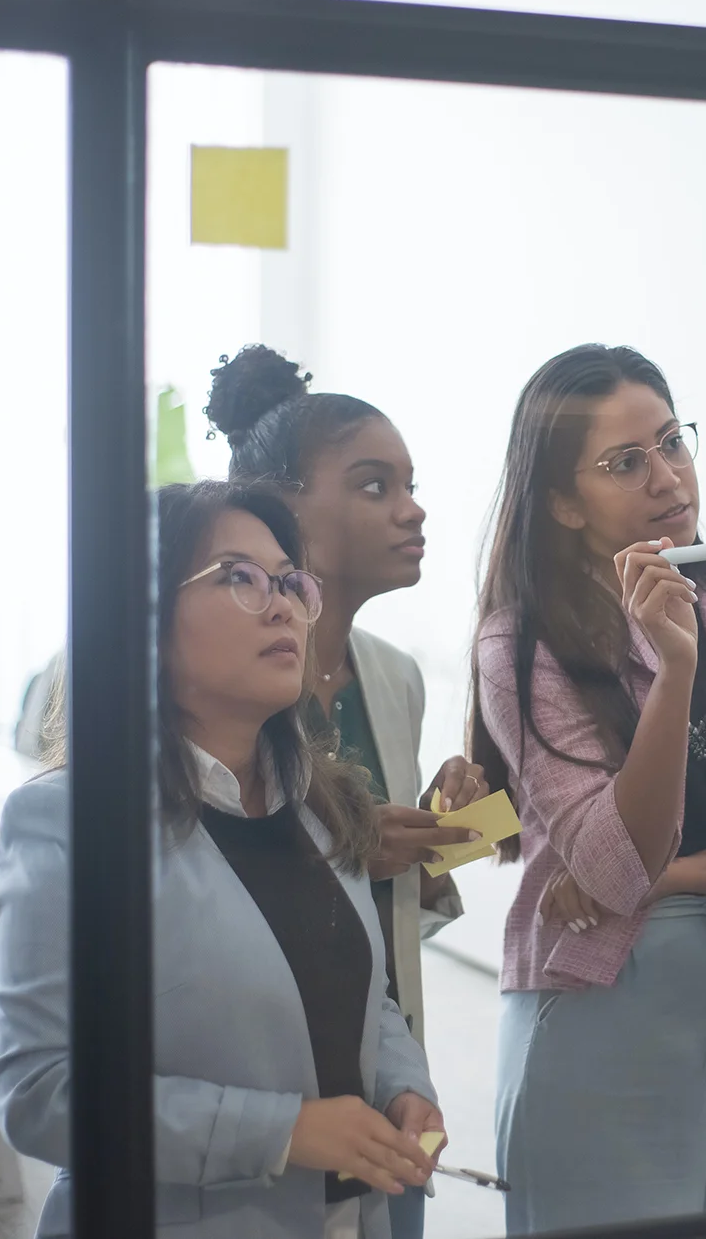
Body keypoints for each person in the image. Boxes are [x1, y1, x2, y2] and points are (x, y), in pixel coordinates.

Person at [0, 480, 445, 1238]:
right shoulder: (68, 822)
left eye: (291, 583)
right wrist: (281, 1131)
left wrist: (405, 1087)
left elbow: (363, 1000)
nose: (282, 607)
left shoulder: (318, 803)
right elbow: (39, 1092)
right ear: (145, 619)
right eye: (239, 577)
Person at [471, 344, 706, 1233]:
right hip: (600, 1007)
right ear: (561, 502)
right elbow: (612, 868)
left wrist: (687, 872)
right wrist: (673, 670)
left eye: (673, 442)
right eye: (625, 462)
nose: (668, 476)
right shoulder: (522, 646)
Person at [206, 346, 485, 1239]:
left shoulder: (394, 680)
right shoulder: (221, 690)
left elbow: (397, 912)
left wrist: (450, 836)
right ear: (285, 509)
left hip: (384, 1065)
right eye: (374, 487)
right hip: (253, 1088)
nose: (413, 510)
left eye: (410, 484)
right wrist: (353, 847)